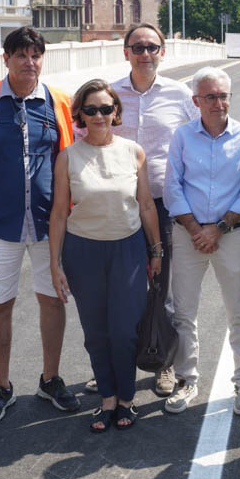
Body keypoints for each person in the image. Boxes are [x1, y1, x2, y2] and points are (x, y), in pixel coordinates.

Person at [0, 27, 78, 425]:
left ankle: (50, 378)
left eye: (36, 55)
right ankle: (2, 386)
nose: (30, 62)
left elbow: (72, 157)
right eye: (21, 55)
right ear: (5, 58)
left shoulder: (60, 102)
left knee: (52, 299)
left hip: (50, 222)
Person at [85, 23, 196, 399]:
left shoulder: (181, 95)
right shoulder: (111, 96)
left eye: (152, 47)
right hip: (117, 206)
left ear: (162, 51)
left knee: (160, 287)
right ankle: (113, 365)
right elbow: (87, 140)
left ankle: (161, 362)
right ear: (126, 51)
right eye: (137, 47)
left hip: (163, 205)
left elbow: (194, 146)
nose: (145, 53)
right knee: (117, 288)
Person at [50, 80, 163, 432]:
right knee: (96, 331)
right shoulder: (68, 156)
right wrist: (55, 264)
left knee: (124, 330)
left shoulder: (133, 151)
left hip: (127, 250)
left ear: (116, 112)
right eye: (91, 109)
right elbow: (58, 213)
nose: (99, 115)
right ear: (80, 115)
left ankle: (127, 398)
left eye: (105, 108)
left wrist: (155, 249)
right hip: (82, 251)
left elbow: (146, 205)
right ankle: (107, 400)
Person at [163, 66, 240, 416]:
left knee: (239, 311)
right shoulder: (183, 137)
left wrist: (217, 229)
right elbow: (172, 186)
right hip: (188, 234)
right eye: (210, 97)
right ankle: (186, 379)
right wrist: (195, 230)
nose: (218, 103)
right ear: (196, 101)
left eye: (223, 96)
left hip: (229, 235)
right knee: (184, 312)